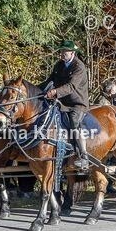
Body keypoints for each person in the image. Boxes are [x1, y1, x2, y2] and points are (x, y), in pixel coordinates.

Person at [40, 40, 91, 172]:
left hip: (77, 103)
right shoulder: (59, 65)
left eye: (64, 52)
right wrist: (34, 90)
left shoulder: (79, 67)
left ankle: (83, 156)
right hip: (61, 102)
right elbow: (49, 81)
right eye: (61, 51)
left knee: (74, 122)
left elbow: (71, 87)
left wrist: (54, 92)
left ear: (72, 53)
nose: (61, 54)